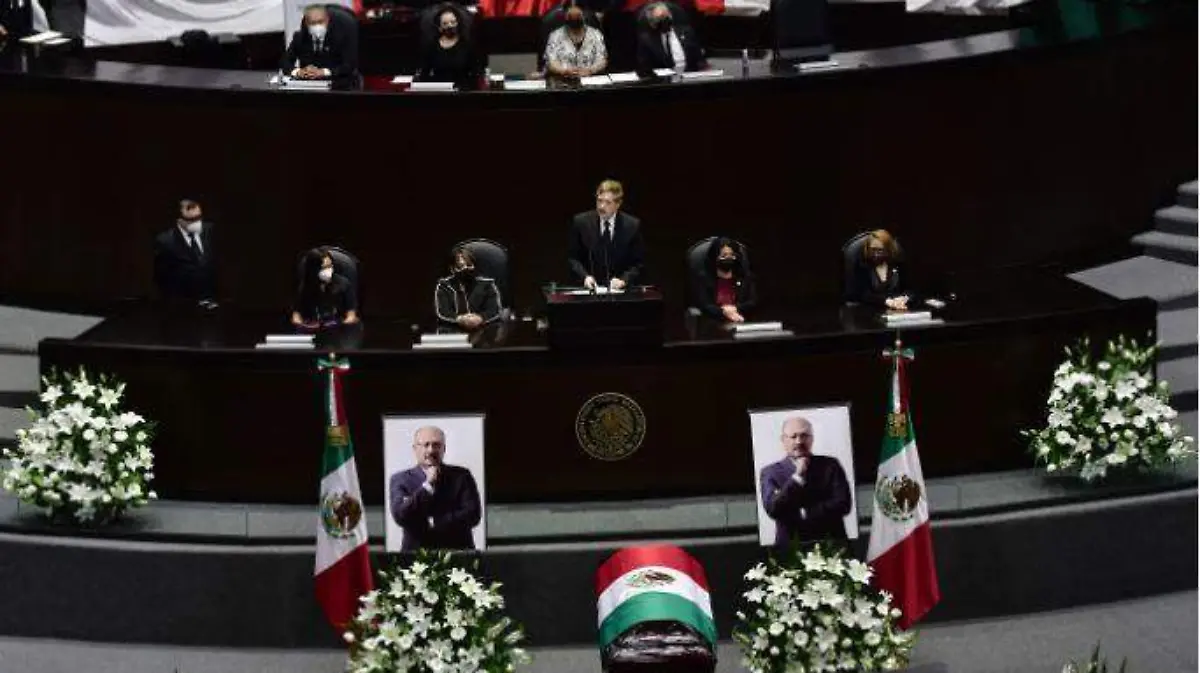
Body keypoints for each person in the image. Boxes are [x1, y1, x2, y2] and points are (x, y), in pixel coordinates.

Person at [759, 416, 851, 547]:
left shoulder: (831, 465)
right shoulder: (770, 472)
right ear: (783, 440)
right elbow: (773, 509)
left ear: (811, 439)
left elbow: (843, 504)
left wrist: (805, 513)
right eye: (793, 436)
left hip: (831, 545)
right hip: (790, 548)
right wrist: (797, 477)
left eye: (804, 436)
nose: (799, 441)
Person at [388, 426, 483, 551]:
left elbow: (473, 514)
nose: (431, 450)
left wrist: (434, 522)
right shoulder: (401, 479)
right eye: (426, 445)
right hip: (416, 555)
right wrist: (428, 485)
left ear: (444, 449)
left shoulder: (462, 476)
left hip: (458, 554)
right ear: (415, 449)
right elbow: (401, 515)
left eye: (436, 445)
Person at [568, 179, 645, 290]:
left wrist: (624, 280)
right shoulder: (581, 223)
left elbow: (638, 264)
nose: (601, 206)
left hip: (620, 292)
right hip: (589, 290)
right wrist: (585, 277)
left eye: (608, 202)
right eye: (599, 201)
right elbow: (573, 259)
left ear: (618, 204)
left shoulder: (632, 226)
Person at [153, 199, 217, 303]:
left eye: (199, 217)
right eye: (191, 219)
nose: (197, 223)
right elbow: (162, 278)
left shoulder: (211, 231)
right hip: (183, 304)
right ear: (179, 220)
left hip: (212, 300)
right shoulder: (165, 241)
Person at [281, 4, 358, 81]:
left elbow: (348, 66)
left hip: (336, 82)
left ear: (327, 20)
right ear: (306, 23)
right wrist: (298, 72)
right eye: (313, 23)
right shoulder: (300, 37)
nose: (317, 26)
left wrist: (324, 72)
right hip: (308, 84)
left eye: (320, 22)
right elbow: (285, 62)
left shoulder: (340, 37)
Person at [435, 246, 503, 329]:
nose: (465, 269)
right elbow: (443, 312)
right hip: (454, 329)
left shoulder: (487, 284)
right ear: (452, 269)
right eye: (460, 267)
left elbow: (494, 310)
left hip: (484, 328)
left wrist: (480, 318)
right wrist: (460, 319)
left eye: (469, 265)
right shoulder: (445, 285)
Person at [291, 247, 359, 329]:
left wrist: (341, 326)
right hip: (312, 327)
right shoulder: (305, 286)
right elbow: (296, 316)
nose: (329, 270)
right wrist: (302, 325)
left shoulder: (344, 284)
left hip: (338, 328)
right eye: (324, 267)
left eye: (330, 266)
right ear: (314, 270)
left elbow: (351, 316)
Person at [691, 237, 756, 323]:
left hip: (741, 321)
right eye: (724, 256)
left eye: (732, 255)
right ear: (715, 257)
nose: (728, 258)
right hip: (713, 322)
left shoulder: (744, 277)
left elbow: (752, 302)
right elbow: (704, 305)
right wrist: (724, 312)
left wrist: (735, 308)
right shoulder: (704, 278)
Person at [418, 5, 482, 87]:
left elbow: (475, 73)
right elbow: (424, 74)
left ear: (458, 23)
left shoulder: (467, 45)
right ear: (439, 27)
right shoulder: (432, 46)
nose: (450, 26)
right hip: (439, 90)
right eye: (445, 23)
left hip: (462, 90)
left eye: (453, 22)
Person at [845, 229, 909, 310]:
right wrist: (886, 301)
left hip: (898, 309)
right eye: (873, 250)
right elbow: (861, 294)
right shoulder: (862, 265)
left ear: (888, 249)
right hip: (869, 310)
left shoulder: (897, 263)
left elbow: (910, 290)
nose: (876, 254)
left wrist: (904, 298)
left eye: (880, 250)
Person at [635, 2, 703, 77]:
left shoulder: (687, 32)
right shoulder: (647, 40)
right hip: (664, 79)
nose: (665, 20)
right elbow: (644, 67)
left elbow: (699, 58)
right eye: (659, 18)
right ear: (652, 23)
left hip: (689, 75)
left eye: (666, 16)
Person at [544, 3, 607, 81]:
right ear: (566, 17)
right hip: (563, 81)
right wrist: (563, 71)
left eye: (578, 16)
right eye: (570, 17)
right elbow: (551, 62)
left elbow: (602, 61)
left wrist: (590, 70)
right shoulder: (555, 36)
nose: (574, 20)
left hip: (590, 81)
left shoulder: (596, 34)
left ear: (583, 16)